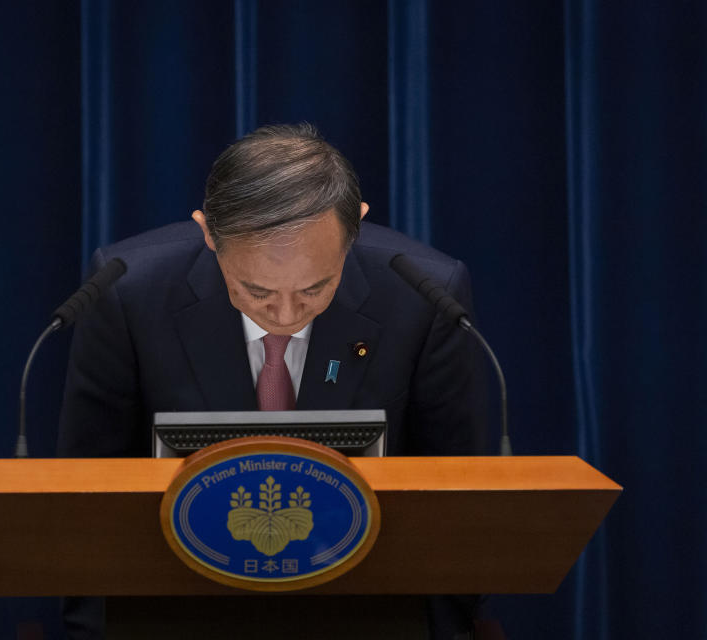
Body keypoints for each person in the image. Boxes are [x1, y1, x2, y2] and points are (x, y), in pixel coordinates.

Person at [58, 123, 487, 639]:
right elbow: (87, 496)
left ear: (355, 228)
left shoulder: (423, 295)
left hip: (364, 613)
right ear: (208, 233)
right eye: (255, 289)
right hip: (181, 612)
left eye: (316, 287)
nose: (285, 313)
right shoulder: (128, 289)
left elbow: (456, 501)